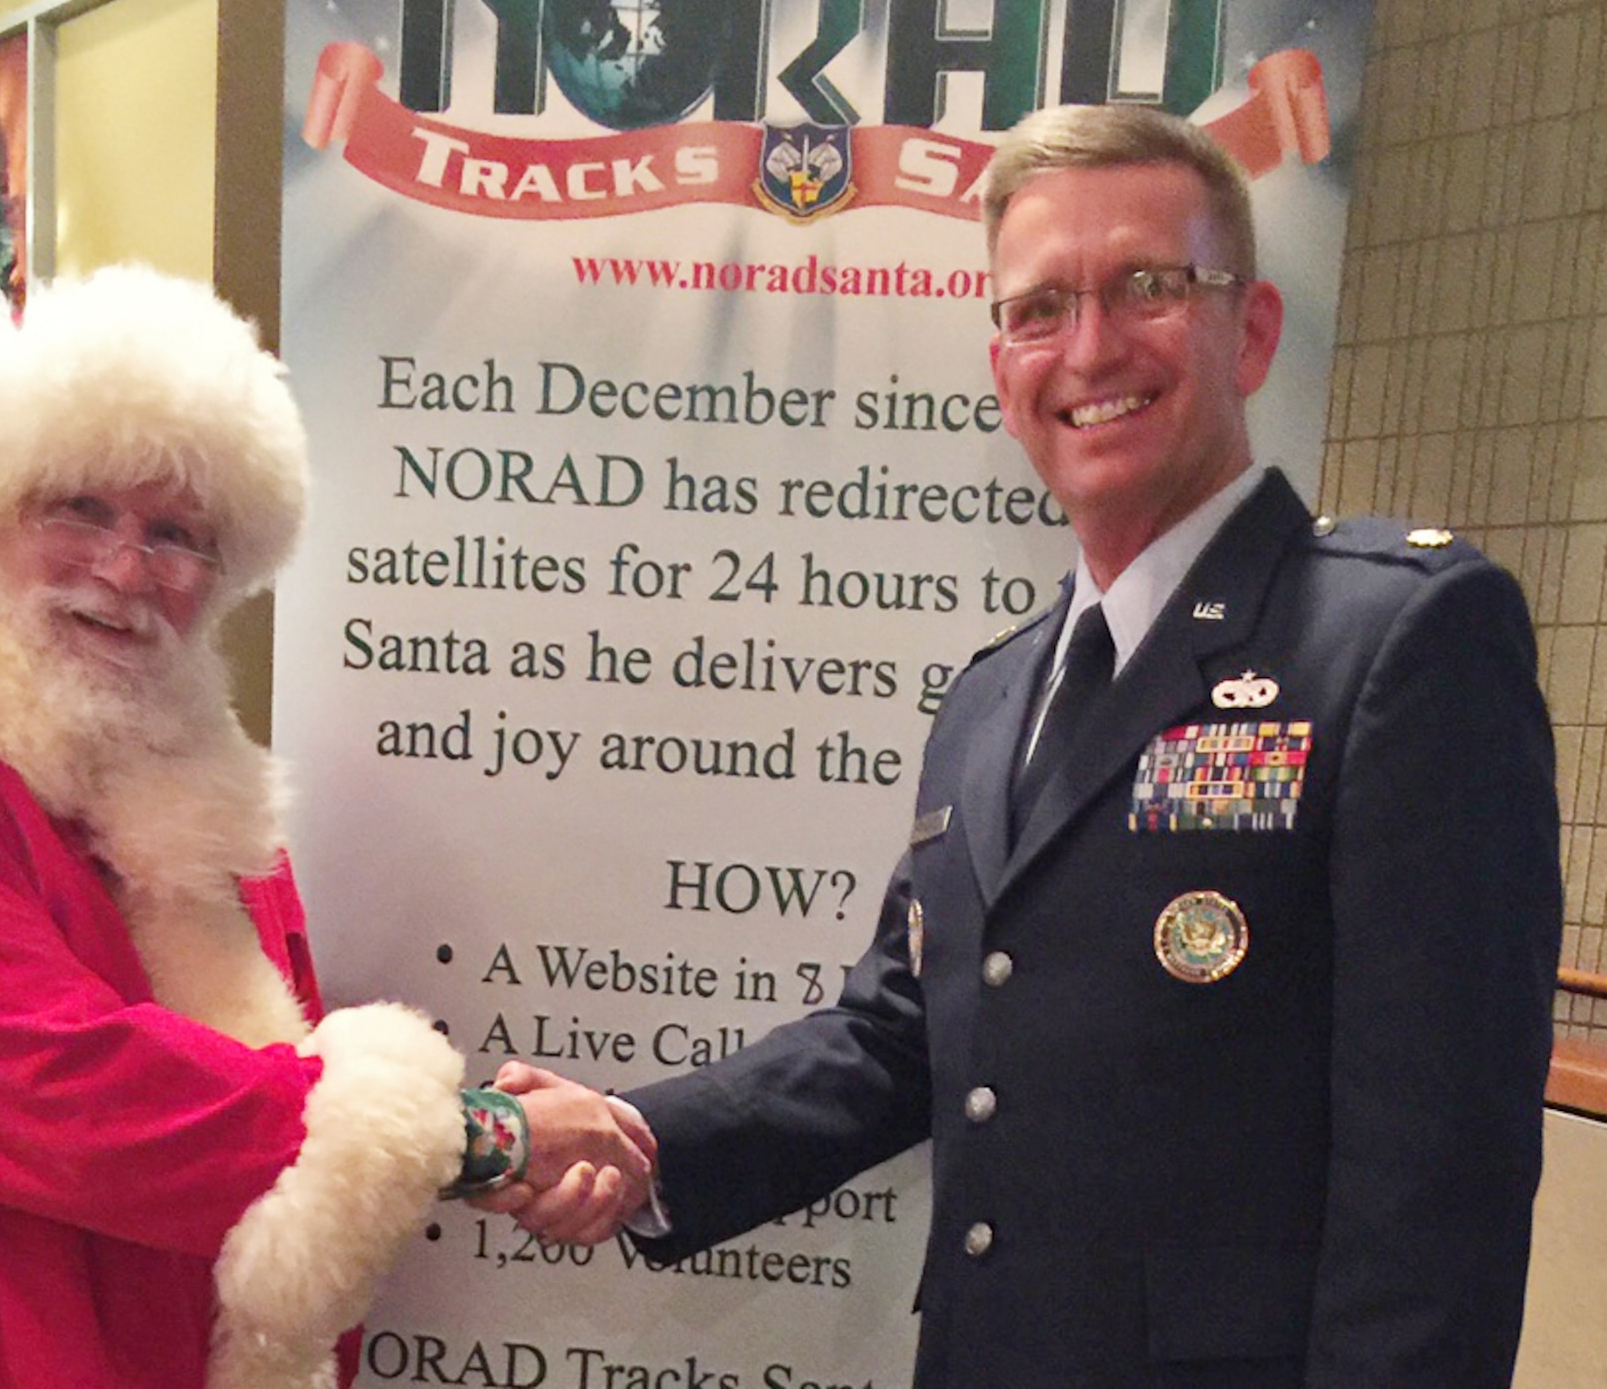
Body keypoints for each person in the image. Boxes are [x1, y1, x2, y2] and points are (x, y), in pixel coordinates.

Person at [484, 105, 1564, 1387]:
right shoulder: (994, 700)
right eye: (1038, 308)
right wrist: (638, 1141)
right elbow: (899, 1036)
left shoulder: (1394, 641)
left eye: (1147, 287)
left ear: (1252, 329)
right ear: (1001, 363)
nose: (1089, 347)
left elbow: (1437, 1186)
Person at [0, 267, 567, 1389]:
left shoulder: (199, 790)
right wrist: (461, 1137)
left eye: (178, 534)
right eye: (77, 508)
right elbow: (54, 1084)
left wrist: (446, 1134)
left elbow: (265, 1069)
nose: (127, 571)